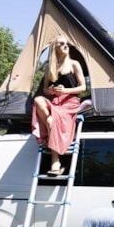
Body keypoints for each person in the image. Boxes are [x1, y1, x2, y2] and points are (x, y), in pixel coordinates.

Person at [32, 36, 86, 175]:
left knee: (54, 119)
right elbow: (44, 90)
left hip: (70, 102)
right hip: (56, 101)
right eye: (61, 43)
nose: (65, 46)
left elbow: (83, 87)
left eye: (67, 44)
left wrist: (65, 91)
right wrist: (50, 91)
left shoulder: (74, 64)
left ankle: (55, 162)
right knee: (38, 100)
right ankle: (49, 120)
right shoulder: (49, 66)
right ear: (54, 47)